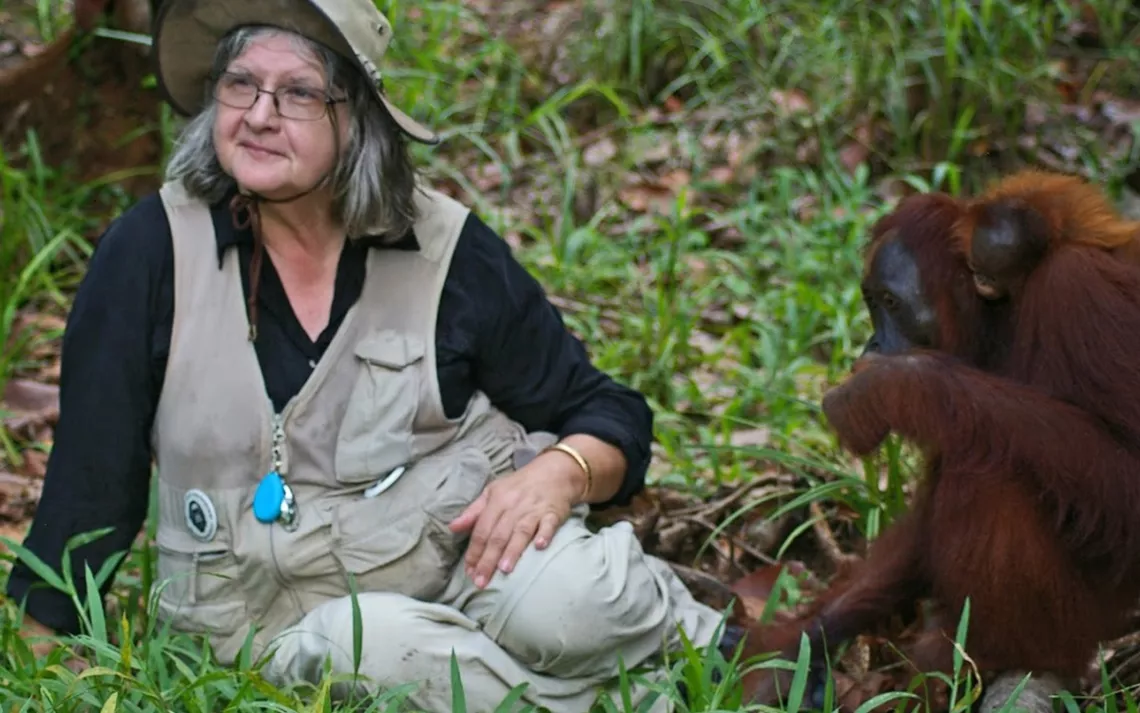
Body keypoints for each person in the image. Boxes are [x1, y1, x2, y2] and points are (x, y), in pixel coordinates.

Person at [5, 0, 730, 710]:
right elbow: (90, 484)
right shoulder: (150, 252)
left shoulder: (445, 250)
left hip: (462, 568)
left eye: (297, 93)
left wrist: (557, 474)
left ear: (356, 122)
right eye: (240, 84)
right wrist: (36, 675)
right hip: (275, 634)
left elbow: (608, 413)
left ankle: (721, 652)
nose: (259, 114)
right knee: (372, 644)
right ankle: (647, 698)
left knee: (575, 605)